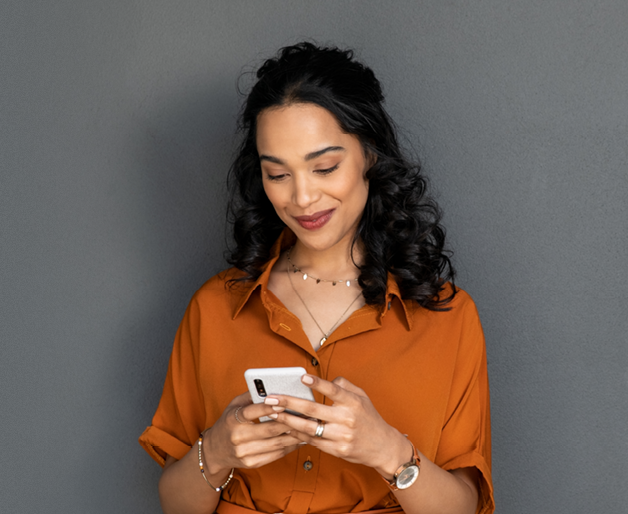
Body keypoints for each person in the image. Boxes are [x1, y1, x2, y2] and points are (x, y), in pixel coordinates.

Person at [139, 42, 494, 514]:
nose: (303, 198)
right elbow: (177, 505)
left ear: (369, 153)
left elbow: (465, 509)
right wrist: (219, 450)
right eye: (277, 174)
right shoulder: (214, 308)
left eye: (325, 167)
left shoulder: (448, 318)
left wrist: (387, 450)